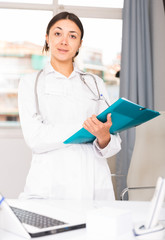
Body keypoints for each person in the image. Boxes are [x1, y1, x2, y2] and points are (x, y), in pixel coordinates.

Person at [18, 11, 121, 200]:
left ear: (80, 44)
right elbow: (35, 138)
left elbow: (114, 143)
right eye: (58, 34)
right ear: (47, 38)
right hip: (50, 184)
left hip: (92, 183)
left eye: (72, 36)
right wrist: (87, 128)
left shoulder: (95, 83)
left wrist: (104, 137)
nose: (64, 41)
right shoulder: (30, 82)